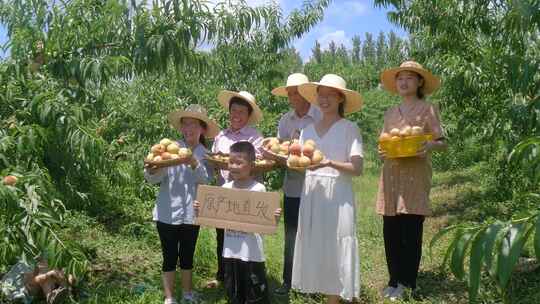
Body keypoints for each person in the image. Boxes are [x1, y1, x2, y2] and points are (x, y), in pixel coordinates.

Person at [376, 61, 447, 301]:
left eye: (409, 77)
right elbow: (385, 141)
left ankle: (408, 281)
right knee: (391, 230)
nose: (403, 82)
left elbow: (442, 142)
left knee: (411, 230)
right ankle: (393, 279)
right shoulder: (390, 113)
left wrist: (429, 144)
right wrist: (383, 151)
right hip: (391, 175)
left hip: (415, 176)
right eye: (400, 78)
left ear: (419, 83)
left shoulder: (428, 108)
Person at [292, 74, 364, 304]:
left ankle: (338, 295)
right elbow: (301, 164)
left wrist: (330, 162)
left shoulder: (349, 128)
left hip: (338, 194)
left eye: (330, 95)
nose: (324, 100)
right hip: (313, 192)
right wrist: (286, 158)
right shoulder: (308, 130)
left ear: (340, 98)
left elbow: (357, 167)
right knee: (318, 242)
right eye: (320, 95)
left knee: (337, 240)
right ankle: (327, 293)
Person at [144, 104, 219, 304]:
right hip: (167, 211)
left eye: (194, 124)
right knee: (169, 256)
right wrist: (151, 170)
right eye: (185, 124)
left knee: (187, 255)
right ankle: (169, 298)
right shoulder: (170, 149)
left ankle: (187, 293)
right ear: (181, 128)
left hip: (191, 214)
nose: (189, 129)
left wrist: (193, 161)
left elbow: (205, 179)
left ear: (202, 129)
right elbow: (154, 178)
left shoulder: (206, 154)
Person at [194, 141, 281, 304]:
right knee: (234, 293)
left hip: (252, 254)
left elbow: (268, 222)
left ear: (252, 165)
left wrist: (274, 216)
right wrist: (201, 209)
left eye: (239, 162)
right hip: (230, 252)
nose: (233, 166)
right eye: (231, 162)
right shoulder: (225, 189)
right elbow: (214, 215)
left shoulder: (259, 189)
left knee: (255, 294)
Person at [266, 73, 321, 295]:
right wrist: (273, 154)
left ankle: (313, 282)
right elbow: (281, 148)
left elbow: (321, 151)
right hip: (292, 187)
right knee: (291, 234)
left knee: (313, 233)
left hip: (316, 186)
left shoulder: (319, 116)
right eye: (289, 94)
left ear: (306, 93)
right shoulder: (285, 120)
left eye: (296, 92)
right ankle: (288, 281)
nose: (292, 97)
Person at [208, 90, 264, 288]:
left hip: (245, 195)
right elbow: (215, 162)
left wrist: (233, 165)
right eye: (233, 110)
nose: (236, 115)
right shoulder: (221, 135)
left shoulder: (255, 137)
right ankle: (223, 275)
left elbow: (256, 164)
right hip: (224, 191)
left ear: (248, 115)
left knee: (245, 236)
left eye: (241, 111)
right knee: (222, 235)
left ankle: (248, 275)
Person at [0, 258, 72, 304]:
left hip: (26, 289)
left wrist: (49, 274)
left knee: (45, 271)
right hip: (24, 290)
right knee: (44, 269)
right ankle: (50, 295)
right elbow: (33, 282)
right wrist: (49, 274)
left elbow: (35, 280)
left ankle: (51, 294)